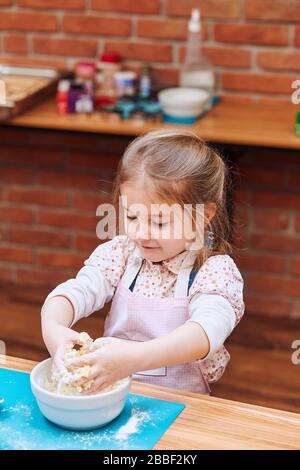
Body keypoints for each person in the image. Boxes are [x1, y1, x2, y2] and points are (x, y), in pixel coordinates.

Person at [41, 128, 244, 395]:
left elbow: (206, 332)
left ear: (202, 215)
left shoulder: (213, 270)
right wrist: (54, 329)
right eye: (132, 216)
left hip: (182, 406)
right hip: (115, 397)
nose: (141, 233)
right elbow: (72, 293)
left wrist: (133, 358)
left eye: (159, 221)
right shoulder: (122, 254)